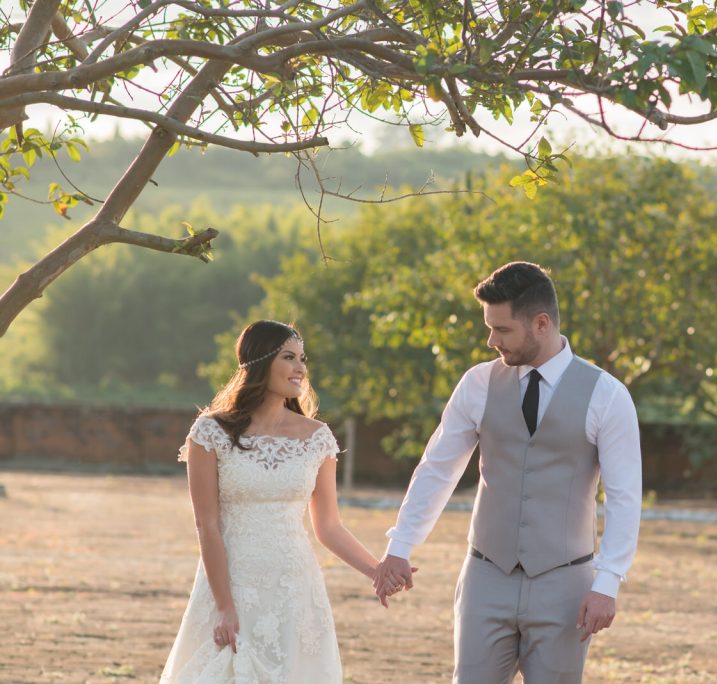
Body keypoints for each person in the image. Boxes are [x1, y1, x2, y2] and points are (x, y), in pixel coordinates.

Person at [374, 262, 643, 683]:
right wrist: (401, 545)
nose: (490, 340)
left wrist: (607, 583)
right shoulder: (477, 384)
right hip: (486, 576)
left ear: (540, 323)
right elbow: (438, 469)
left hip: (566, 583)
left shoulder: (607, 395)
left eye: (502, 330)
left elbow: (625, 497)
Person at [161, 320, 393, 683]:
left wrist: (377, 570)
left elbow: (329, 526)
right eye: (289, 357)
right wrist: (224, 606)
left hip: (293, 586)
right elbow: (206, 525)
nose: (300, 368)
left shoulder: (317, 437)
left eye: (303, 359)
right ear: (259, 362)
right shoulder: (210, 432)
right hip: (230, 582)